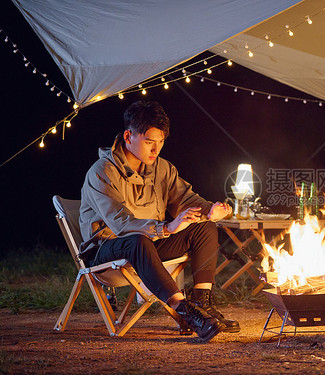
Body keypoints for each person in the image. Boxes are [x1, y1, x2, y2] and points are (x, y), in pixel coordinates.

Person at [78, 100, 237, 343]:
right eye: (149, 142)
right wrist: (167, 227)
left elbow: (186, 198)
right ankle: (186, 313)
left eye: (160, 142)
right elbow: (120, 223)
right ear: (128, 136)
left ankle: (202, 304)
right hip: (106, 252)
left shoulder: (161, 169)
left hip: (148, 246)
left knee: (203, 226)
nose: (156, 149)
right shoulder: (102, 172)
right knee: (136, 240)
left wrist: (210, 209)